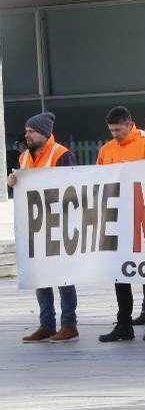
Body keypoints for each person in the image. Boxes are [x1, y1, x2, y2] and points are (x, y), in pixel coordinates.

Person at [96, 106, 145, 343]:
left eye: (118, 130)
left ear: (129, 124)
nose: (115, 134)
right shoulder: (106, 150)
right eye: (111, 130)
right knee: (119, 273)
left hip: (142, 216)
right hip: (118, 218)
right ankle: (124, 324)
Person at [10, 113, 80, 343]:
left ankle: (69, 324)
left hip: (59, 225)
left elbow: (74, 188)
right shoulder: (24, 159)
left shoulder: (61, 155)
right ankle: (47, 325)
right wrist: (12, 183)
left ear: (43, 133)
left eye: (31, 131)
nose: (27, 135)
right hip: (36, 225)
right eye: (26, 131)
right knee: (41, 276)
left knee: (62, 275)